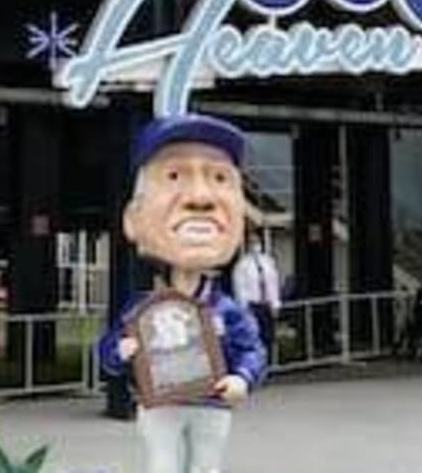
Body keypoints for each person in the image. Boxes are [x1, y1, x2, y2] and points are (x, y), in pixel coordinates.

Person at [97, 113, 267, 473]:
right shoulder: (143, 309)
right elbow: (109, 352)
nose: (201, 198)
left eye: (220, 178)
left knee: (206, 467)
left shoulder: (227, 310)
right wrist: (120, 351)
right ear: (133, 219)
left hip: (213, 404)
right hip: (160, 404)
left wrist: (242, 377)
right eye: (174, 176)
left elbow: (251, 349)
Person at [230, 227, 283, 355]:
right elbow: (240, 288)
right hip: (252, 306)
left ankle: (268, 363)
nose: (255, 245)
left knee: (268, 337)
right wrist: (244, 309)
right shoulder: (242, 265)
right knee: (254, 338)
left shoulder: (268, 261)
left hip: (266, 305)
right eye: (252, 242)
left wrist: (275, 303)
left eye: (257, 241)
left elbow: (273, 283)